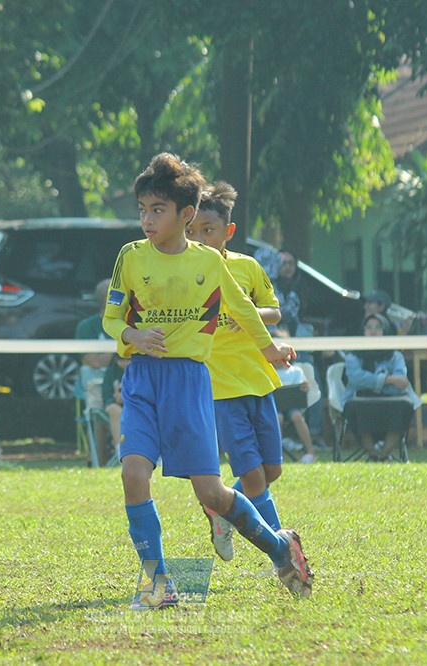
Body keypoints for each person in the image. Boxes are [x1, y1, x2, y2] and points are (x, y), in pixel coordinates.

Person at [103, 153, 313, 607]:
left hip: (190, 382)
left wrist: (271, 349)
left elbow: (242, 309)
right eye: (142, 209)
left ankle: (281, 547)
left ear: (186, 215)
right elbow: (110, 317)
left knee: (212, 493)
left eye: (157, 210)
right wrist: (131, 333)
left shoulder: (210, 264)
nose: (146, 219)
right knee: (134, 474)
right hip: (142, 379)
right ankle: (158, 586)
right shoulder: (130, 258)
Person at [184, 181, 298, 560]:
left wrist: (240, 309)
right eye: (191, 231)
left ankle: (219, 506)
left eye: (207, 230)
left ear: (228, 232)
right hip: (219, 390)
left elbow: (274, 311)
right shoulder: (185, 274)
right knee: (253, 478)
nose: (198, 237)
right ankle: (279, 546)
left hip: (258, 380)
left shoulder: (247, 268)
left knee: (271, 472)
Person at [340, 313, 422, 461]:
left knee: (404, 405)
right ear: (363, 331)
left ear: (385, 331)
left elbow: (402, 383)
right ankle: (372, 454)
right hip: (360, 400)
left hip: (391, 400)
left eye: (378, 327)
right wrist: (387, 380)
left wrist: (372, 382)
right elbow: (355, 379)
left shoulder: (395, 356)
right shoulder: (353, 356)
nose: (373, 331)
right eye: (369, 327)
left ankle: (384, 455)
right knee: (355, 407)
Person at [76, 278, 117, 461]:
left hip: (131, 384)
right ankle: (99, 462)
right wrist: (123, 347)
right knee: (99, 412)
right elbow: (94, 362)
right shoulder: (87, 327)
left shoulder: (131, 324)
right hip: (98, 388)